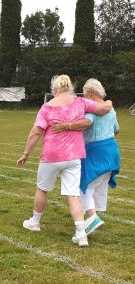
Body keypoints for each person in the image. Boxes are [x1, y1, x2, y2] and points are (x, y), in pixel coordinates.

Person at [16, 74, 113, 247]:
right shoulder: (81, 102)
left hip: (51, 156)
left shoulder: (47, 107)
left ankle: (35, 222)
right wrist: (109, 102)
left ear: (55, 89)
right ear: (71, 87)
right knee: (73, 194)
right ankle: (81, 233)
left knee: (42, 189)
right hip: (74, 156)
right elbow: (104, 109)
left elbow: (35, 132)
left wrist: (26, 153)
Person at [51, 78, 120, 236]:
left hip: (96, 152)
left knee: (85, 186)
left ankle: (93, 218)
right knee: (100, 185)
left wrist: (64, 126)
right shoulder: (112, 110)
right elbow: (117, 129)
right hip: (112, 151)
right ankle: (94, 217)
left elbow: (86, 123)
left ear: (90, 93)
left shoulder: (92, 111)